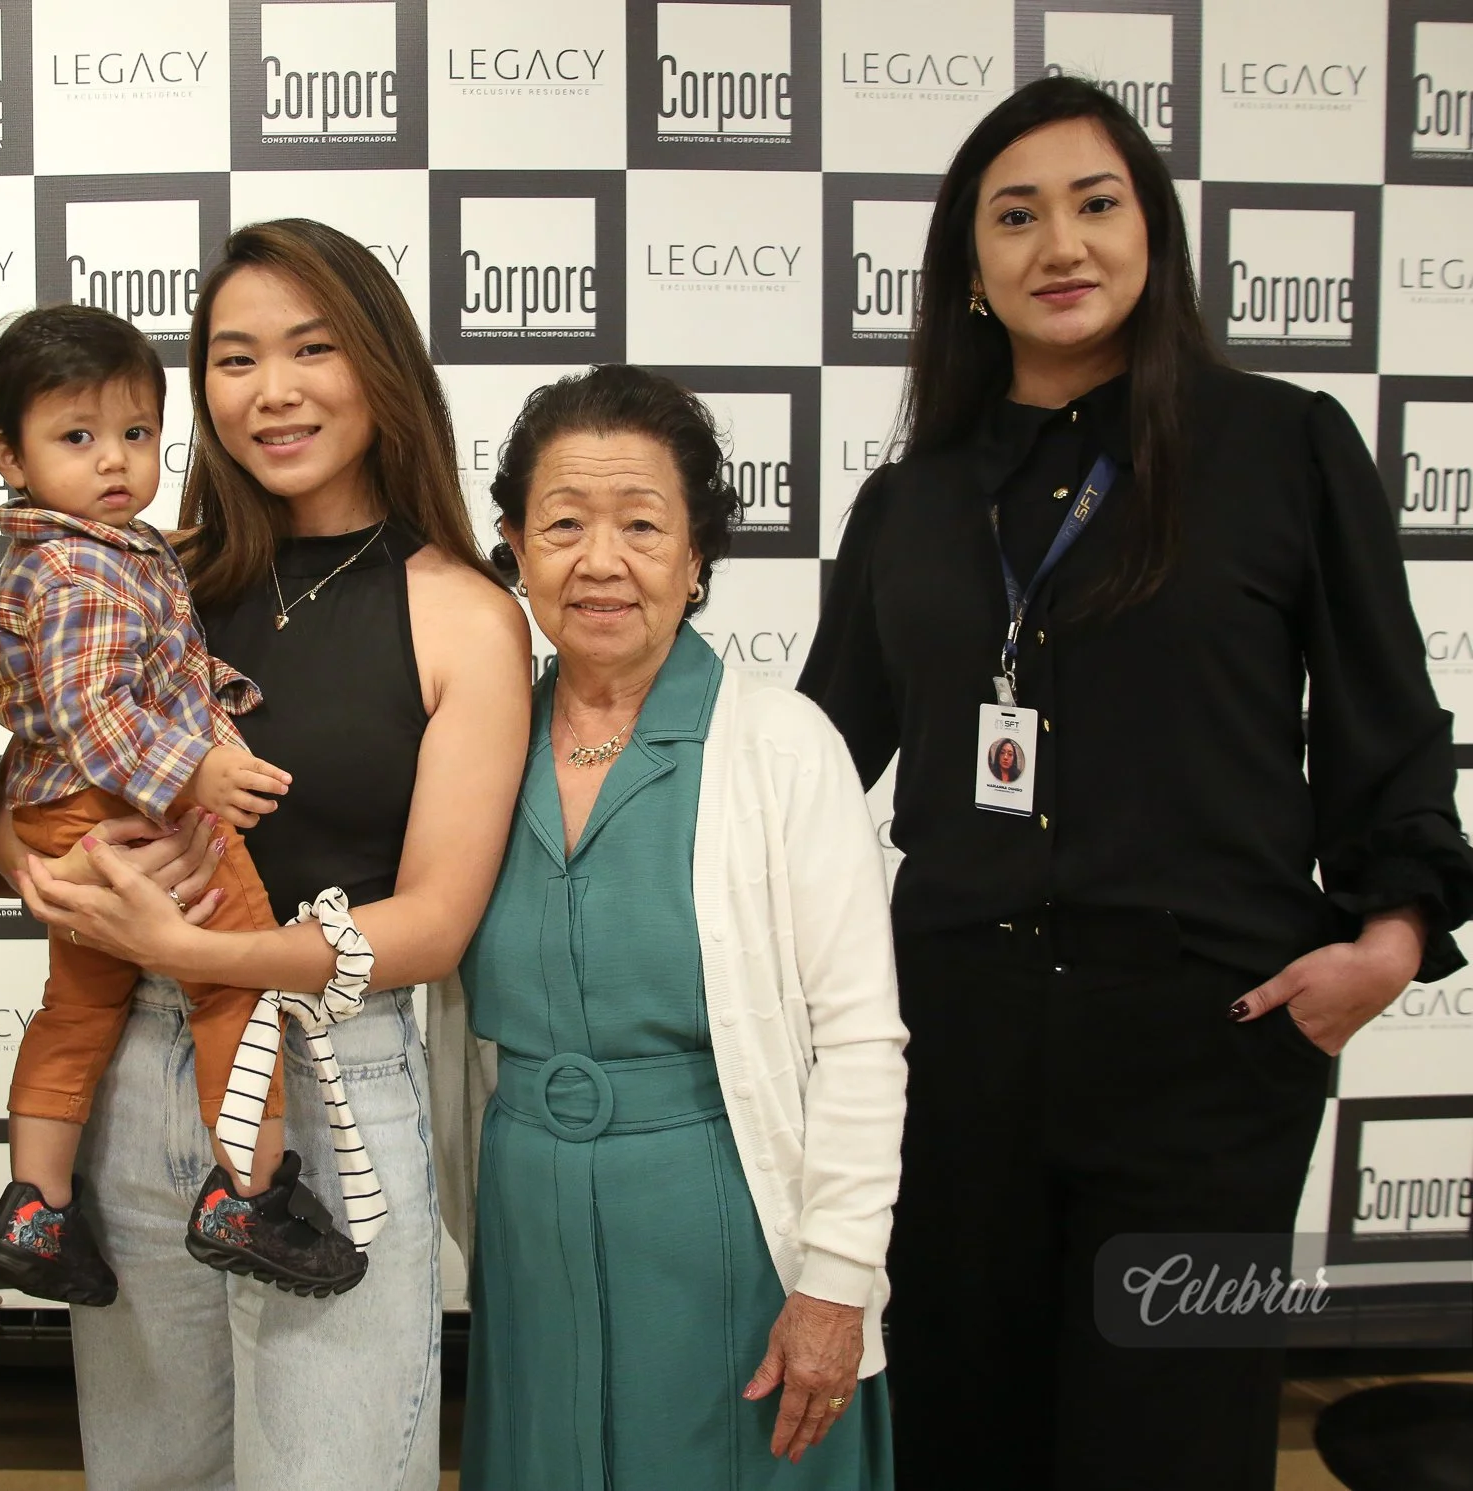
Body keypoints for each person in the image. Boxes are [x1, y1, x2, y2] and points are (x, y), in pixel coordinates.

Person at [798, 77, 1473, 1491]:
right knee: (964, 1435)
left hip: (1205, 1054)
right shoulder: (909, 501)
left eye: (1095, 204)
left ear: (1151, 232)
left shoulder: (1283, 445)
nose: (1061, 244)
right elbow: (808, 757)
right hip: (957, 1050)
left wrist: (1389, 942)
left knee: (1174, 1446)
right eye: (1015, 216)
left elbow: (1384, 716)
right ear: (968, 268)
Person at [0, 218, 530, 1491]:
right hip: (131, 1079)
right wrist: (27, 857)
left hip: (331, 1086)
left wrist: (198, 946)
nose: (271, 391)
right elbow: (16, 795)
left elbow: (433, 925)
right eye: (234, 359)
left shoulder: (462, 611)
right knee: (149, 1472)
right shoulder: (143, 573)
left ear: (381, 364)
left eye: (311, 348)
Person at [424, 365, 904, 1490]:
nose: (601, 561)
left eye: (641, 525)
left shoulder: (781, 745)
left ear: (696, 559)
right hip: (527, 1215)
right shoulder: (473, 742)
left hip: (722, 1215)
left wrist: (836, 1280)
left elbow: (859, 1039)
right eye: (563, 525)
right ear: (514, 547)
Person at [0, 303, 364, 1308]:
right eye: (76, 437)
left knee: (78, 1003)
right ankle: (249, 1196)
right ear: (10, 457)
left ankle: (35, 1208)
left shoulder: (116, 550)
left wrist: (212, 688)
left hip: (71, 813)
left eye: (136, 433)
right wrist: (192, 773)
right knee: (236, 984)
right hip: (123, 808)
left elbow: (149, 668)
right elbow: (95, 709)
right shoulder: (85, 569)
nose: (114, 460)